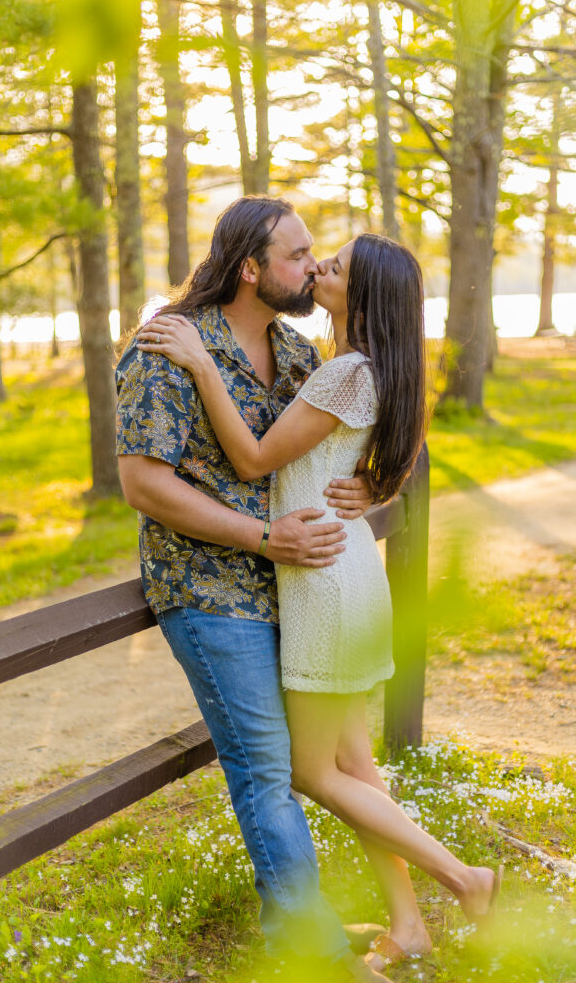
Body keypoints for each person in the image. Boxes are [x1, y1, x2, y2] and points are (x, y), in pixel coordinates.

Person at [137, 231, 503, 974]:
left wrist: (203, 364)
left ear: (359, 294)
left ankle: (464, 878)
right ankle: (409, 926)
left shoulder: (344, 375)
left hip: (323, 584)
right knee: (353, 763)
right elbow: (392, 460)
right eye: (314, 259)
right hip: (345, 578)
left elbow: (252, 457)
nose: (316, 271)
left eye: (331, 268)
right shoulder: (373, 370)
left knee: (310, 771)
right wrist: (378, 486)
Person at [116, 196, 394, 981]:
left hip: (292, 592)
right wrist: (261, 537)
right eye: (298, 256)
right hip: (207, 591)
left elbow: (337, 439)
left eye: (314, 256)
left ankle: (303, 914)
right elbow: (143, 486)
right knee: (268, 769)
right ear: (250, 268)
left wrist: (368, 484)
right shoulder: (168, 346)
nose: (313, 267)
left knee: (320, 759)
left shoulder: (302, 353)